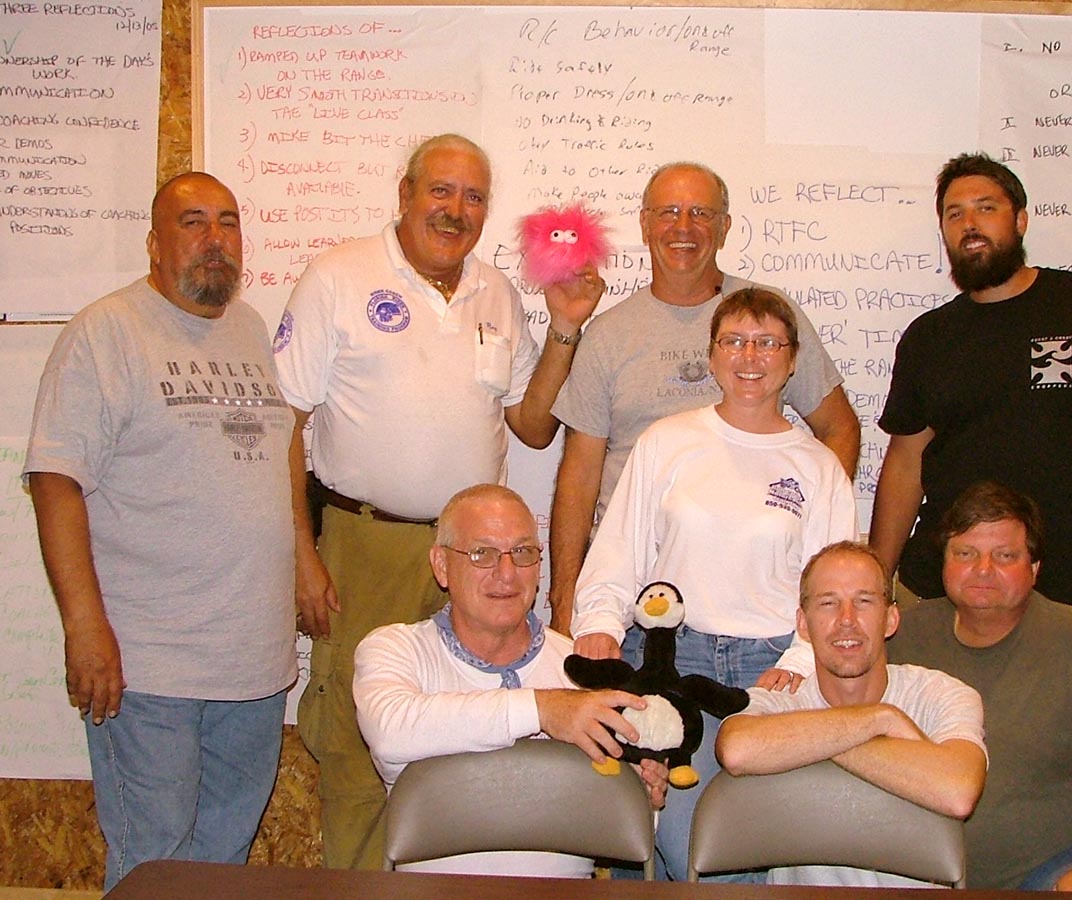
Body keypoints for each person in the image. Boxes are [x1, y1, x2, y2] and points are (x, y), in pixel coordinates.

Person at [274, 133, 605, 869]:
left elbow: (532, 425)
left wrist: (566, 328)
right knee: (360, 749)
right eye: (441, 190)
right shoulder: (337, 275)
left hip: (482, 559)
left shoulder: (496, 292)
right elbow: (283, 423)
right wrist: (301, 556)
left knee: (474, 738)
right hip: (368, 546)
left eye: (474, 197)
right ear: (405, 193)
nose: (456, 210)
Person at [24, 173, 296, 891]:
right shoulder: (106, 332)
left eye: (228, 223)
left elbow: (278, 455)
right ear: (153, 242)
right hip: (149, 669)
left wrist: (305, 560)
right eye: (193, 222)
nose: (215, 239)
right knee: (155, 866)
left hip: (254, 668)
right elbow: (55, 481)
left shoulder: (251, 329)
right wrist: (85, 628)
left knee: (222, 863)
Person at [571, 288, 858, 880]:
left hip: (768, 670)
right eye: (734, 341)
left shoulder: (818, 467)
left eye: (767, 343)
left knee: (738, 844)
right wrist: (598, 625)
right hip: (669, 661)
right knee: (658, 833)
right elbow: (620, 547)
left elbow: (835, 591)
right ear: (712, 354)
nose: (749, 357)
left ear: (792, 359)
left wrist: (801, 660)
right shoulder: (667, 440)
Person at [870, 153, 1072, 637]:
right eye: (954, 214)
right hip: (934, 595)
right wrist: (875, 581)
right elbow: (905, 464)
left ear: (1020, 220)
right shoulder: (929, 337)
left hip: (1056, 594)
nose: (970, 224)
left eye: (986, 207)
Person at [548, 161, 859, 635]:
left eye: (701, 213)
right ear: (645, 223)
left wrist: (812, 551)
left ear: (725, 227)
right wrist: (565, 597)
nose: (683, 227)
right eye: (668, 212)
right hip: (634, 598)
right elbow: (579, 475)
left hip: (758, 605)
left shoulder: (766, 321)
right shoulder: (608, 335)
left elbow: (839, 427)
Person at [353, 484, 666, 877]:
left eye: (522, 553)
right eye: (482, 554)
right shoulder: (396, 650)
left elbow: (625, 825)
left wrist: (644, 792)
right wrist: (543, 709)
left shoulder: (582, 670)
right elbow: (390, 731)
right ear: (441, 565)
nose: (506, 574)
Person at [888, 482, 1072, 891]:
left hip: (1057, 868)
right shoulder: (900, 635)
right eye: (965, 554)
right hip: (922, 874)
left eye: (1004, 556)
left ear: (1035, 567)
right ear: (944, 562)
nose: (983, 569)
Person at [717, 541, 986, 886]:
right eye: (828, 603)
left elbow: (958, 791)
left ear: (890, 619)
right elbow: (737, 750)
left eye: (864, 602)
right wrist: (879, 720)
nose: (846, 620)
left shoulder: (940, 694)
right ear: (803, 624)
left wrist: (813, 744)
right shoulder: (783, 697)